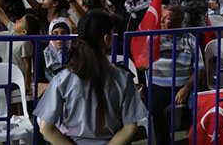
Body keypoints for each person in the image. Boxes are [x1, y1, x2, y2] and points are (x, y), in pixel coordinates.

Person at [35, 9, 146, 145]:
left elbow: (46, 128)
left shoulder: (63, 78)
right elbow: (130, 127)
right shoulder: (123, 77)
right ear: (107, 39)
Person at [147, 5, 204, 145]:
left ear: (180, 21)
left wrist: (186, 88)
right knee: (156, 109)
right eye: (163, 18)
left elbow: (201, 69)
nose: (163, 22)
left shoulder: (190, 39)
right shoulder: (154, 38)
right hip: (159, 86)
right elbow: (141, 60)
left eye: (169, 19)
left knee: (201, 103)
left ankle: (198, 140)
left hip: (184, 85)